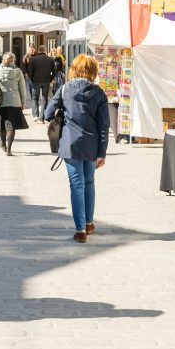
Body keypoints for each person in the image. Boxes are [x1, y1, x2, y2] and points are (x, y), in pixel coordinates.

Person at [44, 54, 109, 244]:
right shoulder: (99, 93)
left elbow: (49, 113)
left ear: (74, 69)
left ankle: (80, 230)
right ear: (93, 71)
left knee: (77, 185)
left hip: (71, 144)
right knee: (89, 182)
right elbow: (104, 126)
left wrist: (63, 113)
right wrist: (102, 153)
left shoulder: (65, 90)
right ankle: (89, 223)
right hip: (92, 145)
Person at [0, 52, 27, 155]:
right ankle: (9, 149)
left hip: (0, 101)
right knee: (11, 126)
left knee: (2, 126)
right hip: (15, 101)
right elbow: (22, 89)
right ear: (13, 60)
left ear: (3, 60)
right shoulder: (18, 71)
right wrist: (23, 102)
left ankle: (3, 144)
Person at [27, 45, 55, 123]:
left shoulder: (33, 59)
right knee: (44, 99)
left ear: (39, 50)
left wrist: (32, 79)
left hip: (36, 81)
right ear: (45, 50)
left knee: (35, 98)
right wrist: (50, 79)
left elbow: (29, 72)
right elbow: (55, 71)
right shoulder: (50, 59)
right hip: (46, 81)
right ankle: (42, 117)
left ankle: (36, 115)